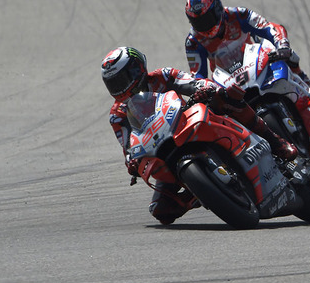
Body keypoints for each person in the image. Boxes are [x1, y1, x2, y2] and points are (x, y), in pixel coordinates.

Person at [102, 46, 299, 225]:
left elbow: (192, 82)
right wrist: (132, 162)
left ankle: (275, 141)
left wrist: (204, 89)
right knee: (162, 212)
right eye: (113, 84)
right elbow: (127, 145)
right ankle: (202, 192)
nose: (120, 88)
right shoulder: (117, 115)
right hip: (164, 148)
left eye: (122, 80)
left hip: (187, 123)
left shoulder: (163, 76)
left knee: (227, 99)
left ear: (138, 70)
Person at [184, 0, 310, 116]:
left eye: (207, 19)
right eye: (198, 22)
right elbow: (197, 75)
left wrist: (282, 45)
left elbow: (268, 27)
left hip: (255, 59)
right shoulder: (193, 42)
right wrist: (203, 91)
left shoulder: (238, 14)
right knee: (220, 110)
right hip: (227, 78)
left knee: (288, 57)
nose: (204, 26)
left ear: (217, 9)